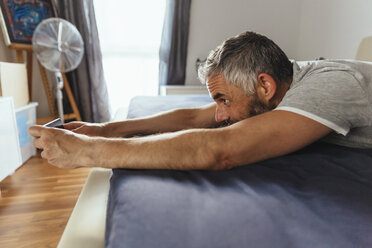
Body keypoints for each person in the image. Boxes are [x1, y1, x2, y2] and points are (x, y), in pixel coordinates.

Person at [28, 31, 372, 170]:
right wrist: (106, 129)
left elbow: (219, 150)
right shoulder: (287, 77)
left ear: (263, 85)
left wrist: (88, 151)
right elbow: (197, 120)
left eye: (223, 99)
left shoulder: (330, 87)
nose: (220, 115)